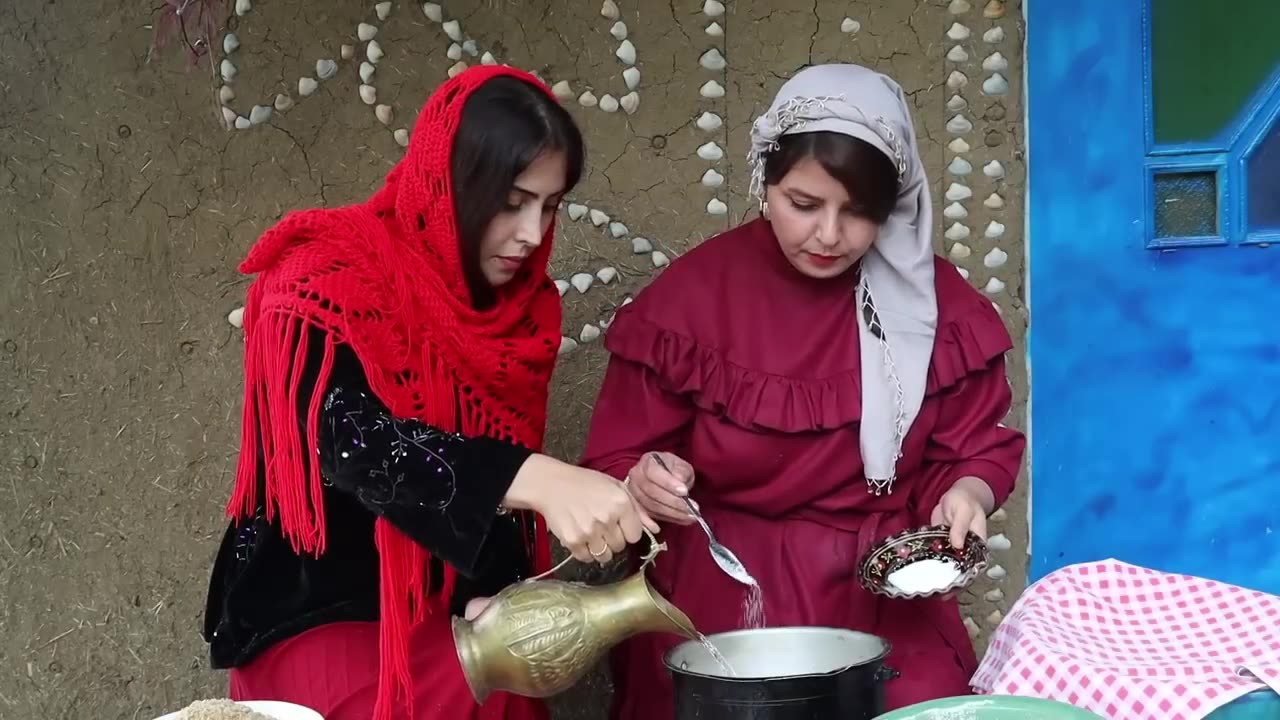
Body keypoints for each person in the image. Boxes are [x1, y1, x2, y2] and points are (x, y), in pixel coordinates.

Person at [202, 65, 657, 720]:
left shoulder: (521, 314)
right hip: (335, 640)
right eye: (510, 202)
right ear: (452, 182)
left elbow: (487, 505)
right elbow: (352, 443)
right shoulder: (323, 273)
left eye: (549, 206)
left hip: (474, 640)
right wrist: (538, 479)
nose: (532, 233)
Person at [581, 64, 1027, 717]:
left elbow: (971, 451)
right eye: (803, 204)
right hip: (722, 583)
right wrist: (643, 480)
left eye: (859, 213)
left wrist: (968, 492)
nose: (827, 235)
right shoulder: (693, 300)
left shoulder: (936, 307)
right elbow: (615, 461)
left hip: (882, 594)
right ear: (765, 181)